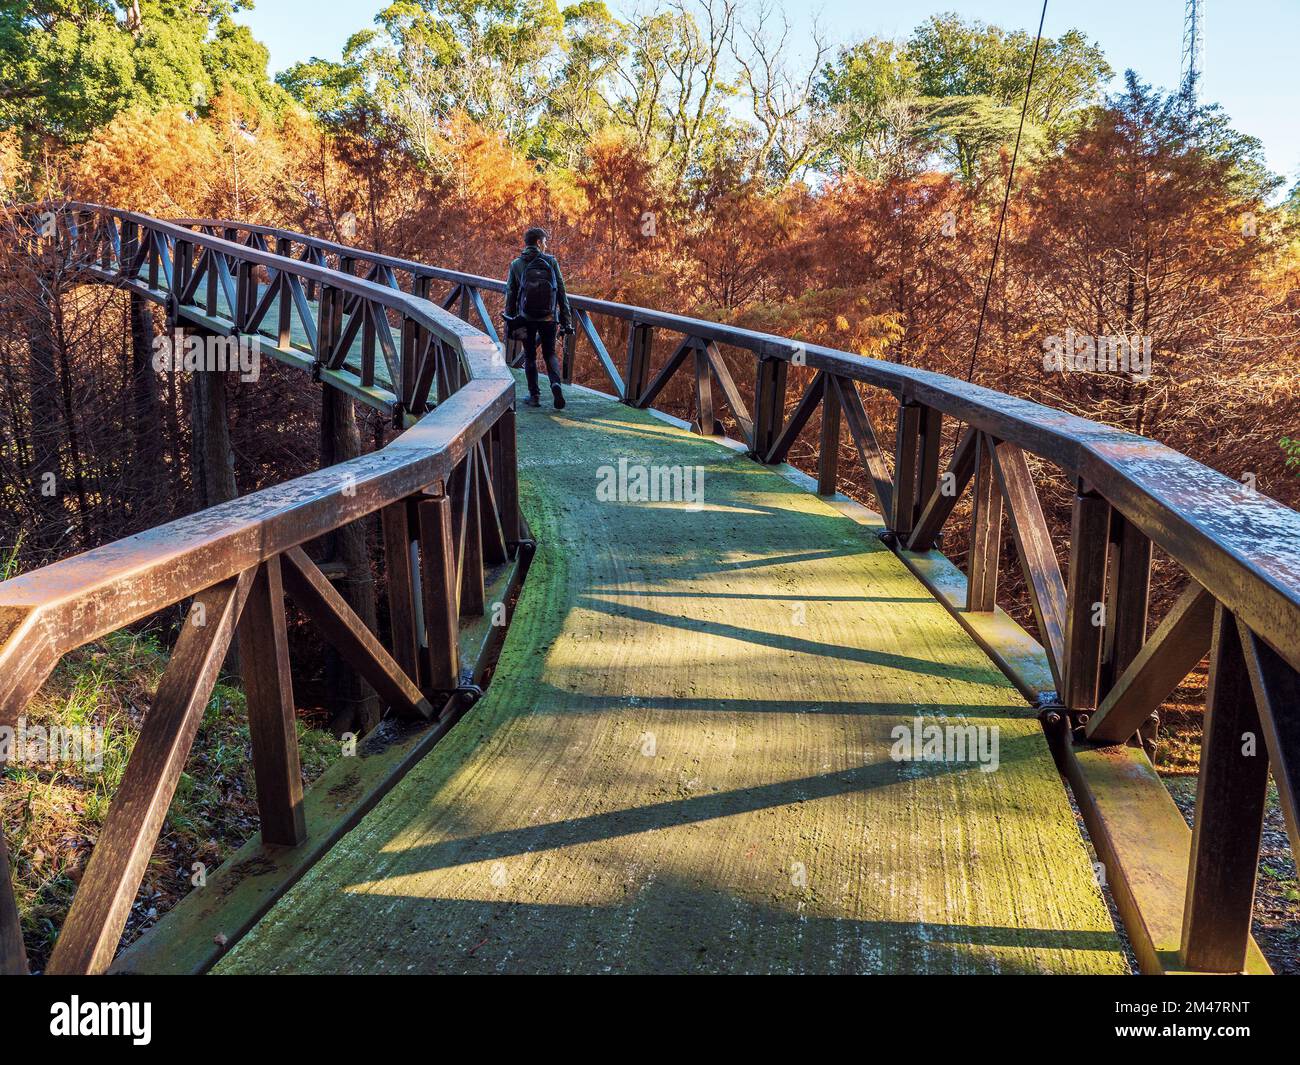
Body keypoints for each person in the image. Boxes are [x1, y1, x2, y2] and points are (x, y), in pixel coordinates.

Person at [503, 227, 574, 409]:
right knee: (549, 353)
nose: (546, 245)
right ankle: (555, 384)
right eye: (545, 241)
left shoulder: (516, 264)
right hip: (549, 318)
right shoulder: (551, 262)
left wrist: (510, 318)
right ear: (538, 242)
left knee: (530, 356)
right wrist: (566, 320)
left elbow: (510, 293)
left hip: (526, 317)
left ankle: (534, 396)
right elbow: (561, 293)